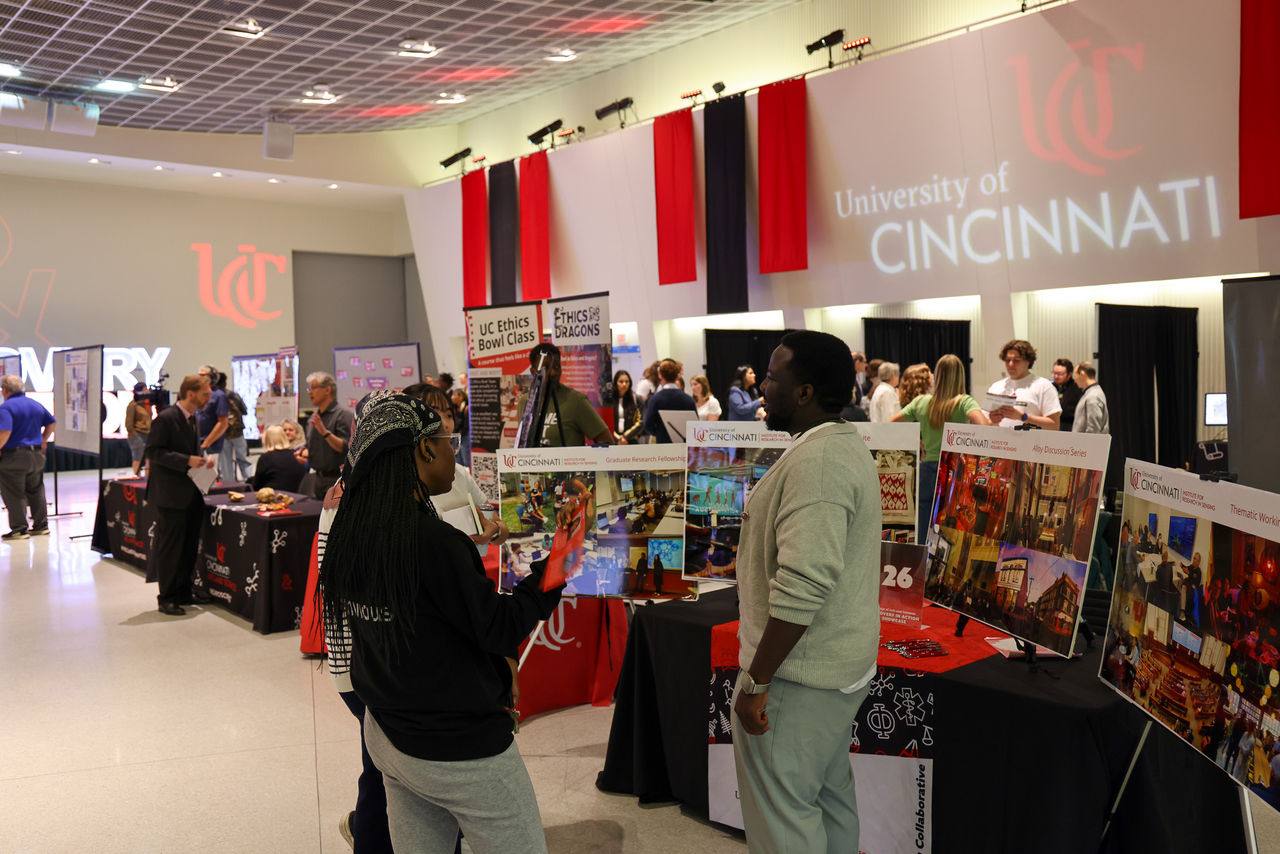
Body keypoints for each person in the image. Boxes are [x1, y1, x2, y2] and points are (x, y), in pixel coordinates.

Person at [318, 392, 564, 853]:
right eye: (448, 441)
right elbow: (500, 627)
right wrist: (556, 569)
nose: (456, 452)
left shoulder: (353, 532)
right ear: (424, 449)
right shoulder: (434, 543)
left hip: (388, 733)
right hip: (458, 746)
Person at [732, 330, 881, 854]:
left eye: (772, 377)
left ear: (804, 392)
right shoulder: (835, 446)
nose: (761, 388)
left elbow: (803, 585)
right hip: (831, 671)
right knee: (827, 797)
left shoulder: (817, 465)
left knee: (785, 821)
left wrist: (757, 681)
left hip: (798, 679)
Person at [891, 354, 991, 539]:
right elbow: (984, 428)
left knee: (922, 527)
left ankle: (921, 565)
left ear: (937, 375)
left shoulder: (920, 402)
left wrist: (916, 440)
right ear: (960, 375)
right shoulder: (964, 402)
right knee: (950, 529)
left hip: (927, 470)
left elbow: (891, 423)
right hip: (954, 473)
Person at [406, 383, 509, 552]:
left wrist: (494, 531)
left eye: (448, 414)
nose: (445, 423)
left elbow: (499, 525)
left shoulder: (460, 473)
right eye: (434, 412)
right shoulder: (403, 482)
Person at [145, 374, 217, 615]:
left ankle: (184, 591)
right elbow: (154, 452)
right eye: (205, 393)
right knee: (171, 547)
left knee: (188, 545)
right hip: (170, 494)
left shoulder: (193, 419)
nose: (209, 398)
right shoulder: (166, 419)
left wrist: (200, 464)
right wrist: (187, 461)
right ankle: (167, 597)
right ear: (191, 394)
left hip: (190, 492)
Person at [516, 343, 611, 447]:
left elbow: (607, 442)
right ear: (533, 372)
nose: (553, 373)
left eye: (556, 367)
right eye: (546, 368)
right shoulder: (525, 402)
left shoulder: (577, 401)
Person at [0, 374, 55, 540]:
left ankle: (19, 529)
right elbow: (51, 423)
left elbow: (5, 431)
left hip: (15, 456)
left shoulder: (6, 408)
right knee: (36, 490)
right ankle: (41, 525)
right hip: (37, 454)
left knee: (13, 491)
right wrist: (44, 440)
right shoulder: (35, 404)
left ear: (5, 390)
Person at [300, 371, 355, 499]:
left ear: (327, 390)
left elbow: (346, 447)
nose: (309, 392)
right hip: (317, 479)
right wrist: (303, 453)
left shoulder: (343, 415)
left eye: (313, 388)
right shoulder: (313, 418)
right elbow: (311, 446)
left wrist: (325, 432)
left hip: (337, 480)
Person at [986, 340, 1061, 428]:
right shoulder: (996, 387)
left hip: (1031, 441)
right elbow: (985, 423)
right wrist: (992, 421)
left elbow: (1054, 425)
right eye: (1007, 360)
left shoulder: (1044, 386)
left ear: (1028, 361)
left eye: (1016, 360)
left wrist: (1022, 416)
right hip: (1000, 440)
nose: (1010, 364)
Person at [642, 359, 698, 443]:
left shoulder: (655, 399)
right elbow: (695, 424)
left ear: (660, 375)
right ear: (677, 376)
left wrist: (659, 433)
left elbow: (648, 425)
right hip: (683, 445)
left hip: (663, 444)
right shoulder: (688, 399)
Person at [251, 425, 308, 493]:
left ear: (266, 440)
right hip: (297, 496)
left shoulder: (266, 458)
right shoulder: (296, 455)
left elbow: (256, 485)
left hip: (273, 497)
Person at [218, 376, 252, 482]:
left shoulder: (215, 397)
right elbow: (245, 410)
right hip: (237, 433)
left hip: (222, 433)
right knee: (243, 459)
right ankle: (249, 481)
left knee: (225, 462)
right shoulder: (234, 395)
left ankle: (228, 485)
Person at [195, 365, 230, 463]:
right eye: (198, 375)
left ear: (212, 378)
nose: (199, 378)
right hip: (197, 443)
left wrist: (206, 443)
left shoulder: (219, 396)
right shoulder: (198, 394)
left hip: (211, 446)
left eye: (203, 375)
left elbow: (223, 423)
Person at [604, 370, 644, 444]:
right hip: (613, 441)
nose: (624, 384)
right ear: (616, 383)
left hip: (631, 440)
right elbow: (605, 422)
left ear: (630, 383)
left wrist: (625, 437)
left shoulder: (636, 399)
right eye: (621, 382)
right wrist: (618, 439)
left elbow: (641, 421)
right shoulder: (608, 400)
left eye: (627, 381)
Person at [1072, 361, 1110, 434]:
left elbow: (1093, 428)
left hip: (1087, 444)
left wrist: (1087, 444)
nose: (1075, 381)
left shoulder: (1093, 396)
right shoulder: (1093, 393)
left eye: (1075, 376)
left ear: (1082, 374)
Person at [124, 381, 153, 478]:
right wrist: (134, 435)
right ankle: (138, 477)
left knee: (149, 458)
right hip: (137, 434)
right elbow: (129, 423)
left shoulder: (147, 404)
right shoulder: (133, 405)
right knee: (138, 456)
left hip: (148, 434)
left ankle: (147, 478)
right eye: (145, 389)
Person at [1051, 358, 1084, 431]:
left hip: (1069, 429)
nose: (1056, 377)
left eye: (1060, 374)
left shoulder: (1077, 389)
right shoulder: (1050, 387)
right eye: (1054, 373)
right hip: (1051, 428)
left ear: (1069, 375)